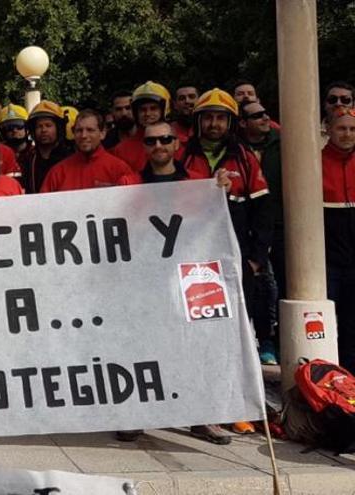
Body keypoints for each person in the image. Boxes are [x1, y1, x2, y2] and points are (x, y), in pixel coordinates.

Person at [116, 122, 232, 445]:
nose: (158, 145)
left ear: (176, 144)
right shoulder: (129, 183)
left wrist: (220, 190)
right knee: (142, 344)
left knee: (196, 344)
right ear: (144, 146)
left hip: (190, 275)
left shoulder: (199, 184)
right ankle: (138, 413)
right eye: (150, 140)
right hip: (144, 277)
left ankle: (202, 416)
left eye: (165, 139)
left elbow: (215, 221)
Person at [181, 89, 273, 392]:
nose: (214, 124)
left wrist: (256, 260)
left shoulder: (246, 159)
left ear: (231, 123)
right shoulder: (183, 155)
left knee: (234, 327)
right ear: (198, 121)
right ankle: (198, 390)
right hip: (191, 259)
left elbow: (263, 213)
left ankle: (233, 396)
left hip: (235, 260)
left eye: (221, 118)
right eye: (208, 117)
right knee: (194, 327)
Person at [239, 101, 283, 364]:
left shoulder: (282, 141)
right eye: (256, 115)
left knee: (272, 287)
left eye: (265, 112)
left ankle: (269, 341)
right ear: (243, 122)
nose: (265, 117)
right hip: (246, 229)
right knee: (256, 287)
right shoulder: (237, 149)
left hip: (280, 226)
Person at [322, 108, 355, 374]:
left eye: (352, 129)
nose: (347, 134)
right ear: (329, 130)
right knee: (329, 324)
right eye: (342, 128)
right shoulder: (316, 161)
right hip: (329, 260)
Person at [40, 109, 140, 192]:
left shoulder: (120, 169)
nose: (84, 136)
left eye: (90, 130)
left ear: (102, 133)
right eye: (79, 130)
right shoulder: (57, 173)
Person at [111, 81, 173, 173]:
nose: (147, 114)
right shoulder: (120, 150)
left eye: (153, 108)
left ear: (164, 110)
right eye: (142, 109)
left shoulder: (175, 144)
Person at [19, 101, 72, 194]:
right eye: (39, 126)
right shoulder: (28, 160)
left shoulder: (70, 157)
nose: (43, 130)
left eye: (48, 125)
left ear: (59, 128)